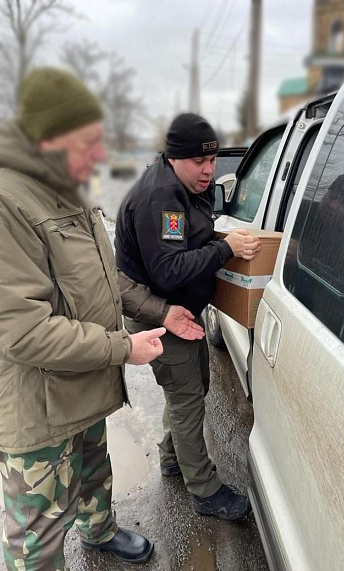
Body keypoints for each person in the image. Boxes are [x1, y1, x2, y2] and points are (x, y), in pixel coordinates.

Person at [0, 68, 205, 571]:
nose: (99, 156)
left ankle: (100, 531)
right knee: (38, 531)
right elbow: (22, 332)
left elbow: (106, 281)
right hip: (39, 405)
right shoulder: (8, 201)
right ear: (44, 138)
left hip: (84, 385)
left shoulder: (65, 189)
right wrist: (123, 349)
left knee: (94, 470)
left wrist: (162, 312)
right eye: (88, 142)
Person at [115, 112, 261, 522]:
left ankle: (172, 457)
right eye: (200, 162)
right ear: (175, 158)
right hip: (159, 316)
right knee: (186, 398)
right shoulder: (161, 198)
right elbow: (169, 269)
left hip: (182, 312)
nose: (209, 171)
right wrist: (226, 248)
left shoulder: (183, 186)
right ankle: (204, 489)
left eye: (212, 162)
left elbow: (187, 240)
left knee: (191, 389)